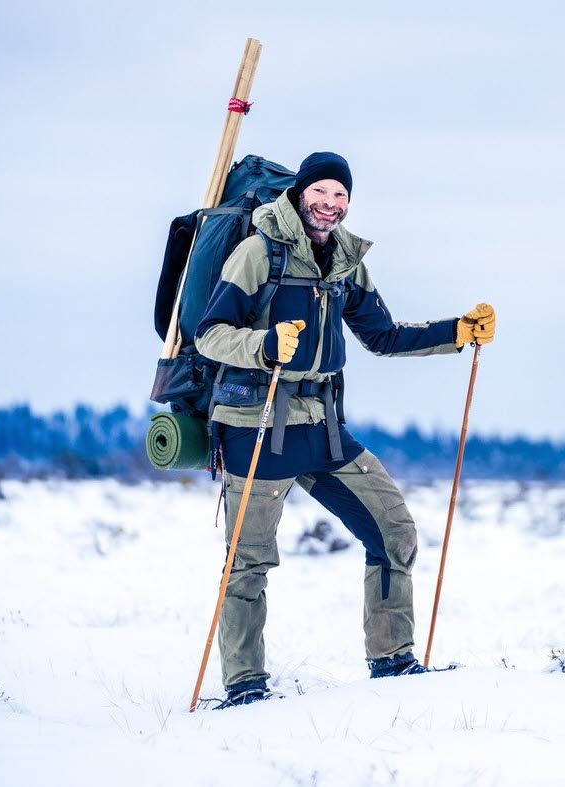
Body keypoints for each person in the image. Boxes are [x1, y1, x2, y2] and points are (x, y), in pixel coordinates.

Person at [194, 151, 496, 705]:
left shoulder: (346, 264)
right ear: (300, 194)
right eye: (322, 193)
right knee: (249, 563)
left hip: (323, 428)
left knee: (394, 532)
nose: (330, 206)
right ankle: (244, 687)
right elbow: (209, 334)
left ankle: (392, 662)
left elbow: (381, 335)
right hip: (255, 426)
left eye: (341, 197)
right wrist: (261, 346)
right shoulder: (258, 253)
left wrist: (459, 331)